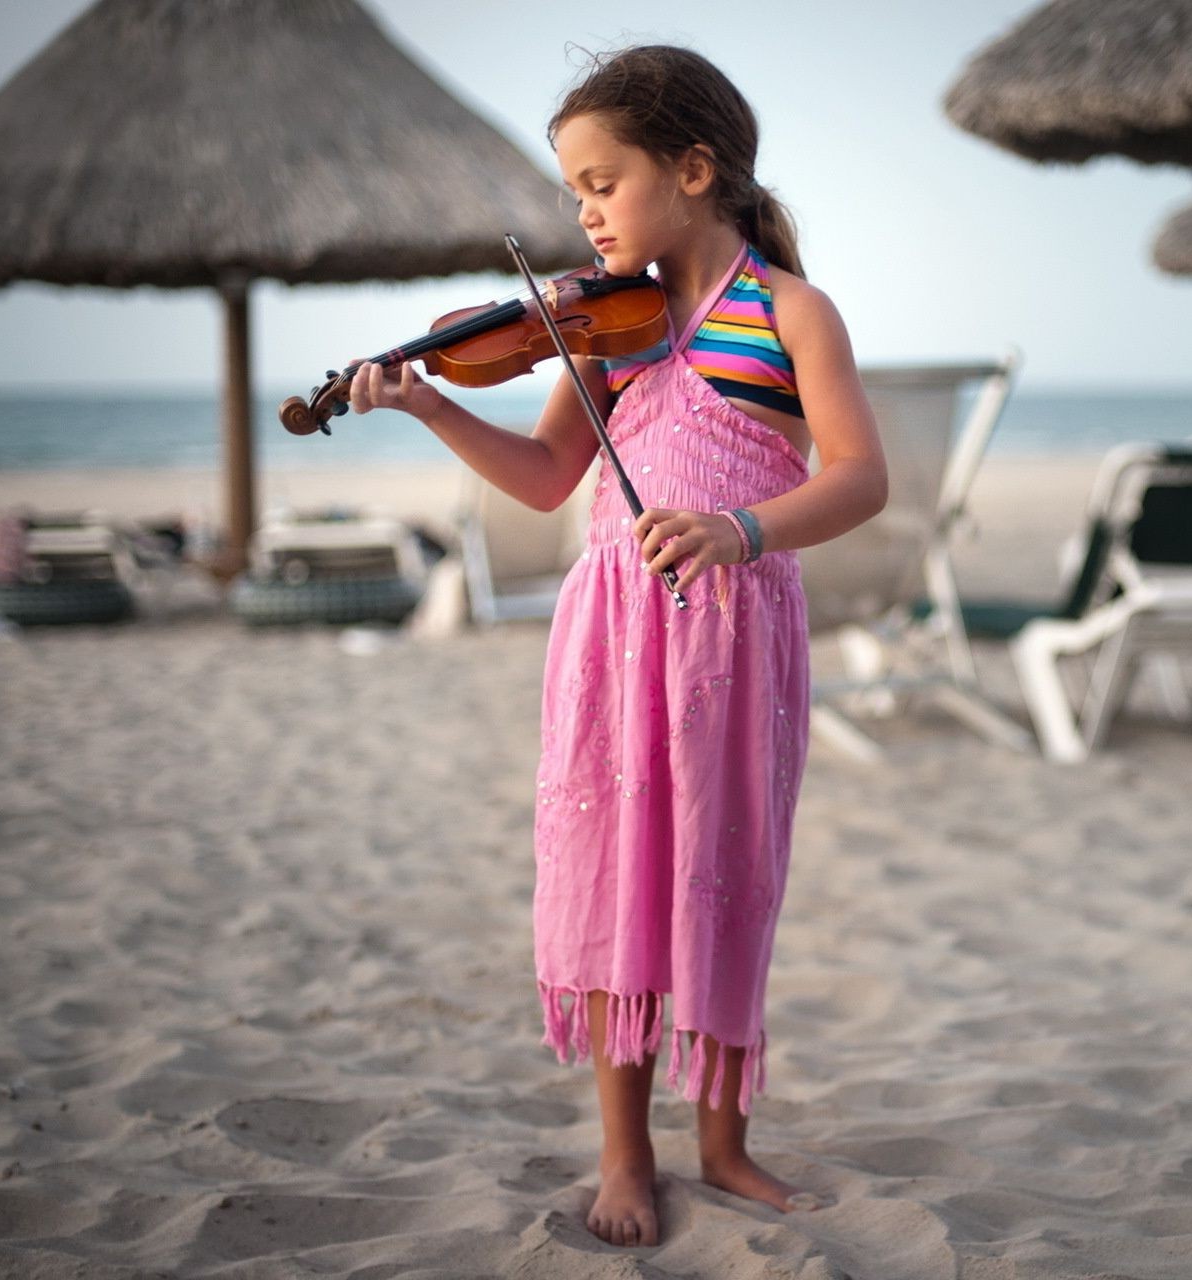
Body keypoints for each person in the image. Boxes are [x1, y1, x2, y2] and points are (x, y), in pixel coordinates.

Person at [345, 44, 887, 1249]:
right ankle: (626, 1152)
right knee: (616, 880)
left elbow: (860, 478)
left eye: (602, 181)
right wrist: (435, 401)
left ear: (694, 169)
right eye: (573, 192)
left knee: (730, 874)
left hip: (738, 643)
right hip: (613, 641)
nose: (583, 213)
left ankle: (727, 1142)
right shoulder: (599, 329)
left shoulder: (789, 311)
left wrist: (743, 528)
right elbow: (545, 480)